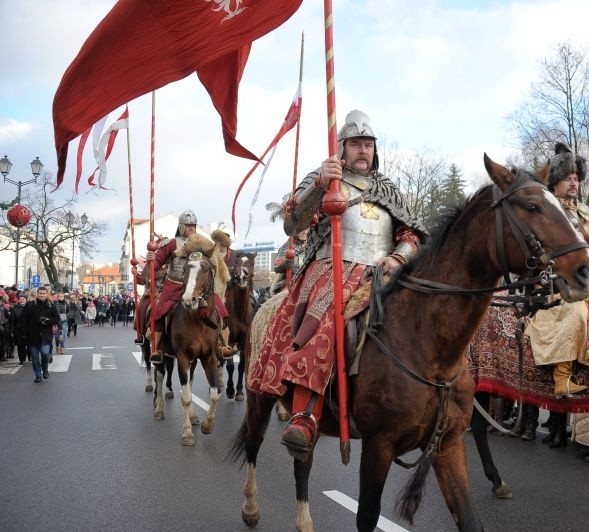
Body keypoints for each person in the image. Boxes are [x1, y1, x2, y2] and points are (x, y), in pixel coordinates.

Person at [247, 110, 427, 460]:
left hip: (384, 271)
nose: (363, 150)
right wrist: (318, 185)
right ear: (342, 148)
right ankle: (305, 412)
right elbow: (292, 222)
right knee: (328, 317)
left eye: (369, 144)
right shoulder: (324, 177)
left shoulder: (389, 189)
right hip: (332, 268)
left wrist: (399, 256)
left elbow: (411, 233)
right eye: (356, 144)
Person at [525, 142, 589, 448]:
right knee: (577, 312)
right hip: (554, 282)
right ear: (555, 181)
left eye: (576, 177)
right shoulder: (545, 207)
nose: (574, 182)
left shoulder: (585, 211)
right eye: (568, 177)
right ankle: (560, 377)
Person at [145, 210, 230, 364]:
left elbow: (212, 264)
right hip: (175, 284)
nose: (191, 228)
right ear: (181, 226)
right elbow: (158, 263)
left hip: (197, 286)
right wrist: (152, 260)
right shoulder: (172, 243)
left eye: (193, 225)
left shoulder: (204, 243)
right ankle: (156, 349)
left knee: (219, 308)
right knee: (159, 310)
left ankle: (223, 345)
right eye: (188, 225)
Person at [209, 226, 238, 359]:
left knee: (250, 302)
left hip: (232, 287)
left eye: (218, 241)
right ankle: (223, 344)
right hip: (214, 289)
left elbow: (240, 269)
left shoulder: (235, 254)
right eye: (215, 240)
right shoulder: (211, 253)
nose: (215, 243)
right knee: (220, 313)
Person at [21, 287, 60, 383]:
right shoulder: (30, 305)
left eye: (44, 293)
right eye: (40, 293)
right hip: (33, 335)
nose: (42, 295)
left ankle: (45, 369)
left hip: (46, 335)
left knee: (45, 354)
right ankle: (38, 375)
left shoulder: (51, 305)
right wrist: (23, 333)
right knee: (34, 357)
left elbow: (56, 319)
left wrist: (48, 321)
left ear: (47, 294)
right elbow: (24, 319)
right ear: (37, 294)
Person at [9, 295, 28, 364]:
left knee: (29, 345)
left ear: (26, 300)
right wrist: (11, 331)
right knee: (20, 345)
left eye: (23, 299)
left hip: (29, 329)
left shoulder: (30, 308)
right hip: (19, 330)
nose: (22, 300)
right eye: (20, 299)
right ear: (18, 300)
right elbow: (12, 321)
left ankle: (30, 355)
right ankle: (22, 359)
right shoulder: (15, 309)